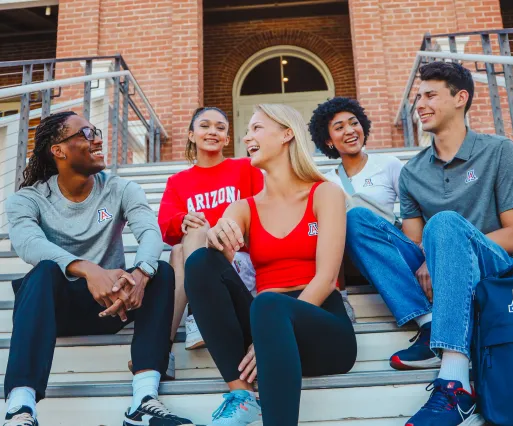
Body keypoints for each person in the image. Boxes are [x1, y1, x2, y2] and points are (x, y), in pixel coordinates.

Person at [347, 62, 513, 426]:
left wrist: (446, 246)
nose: (420, 104)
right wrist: (433, 256)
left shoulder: (498, 151)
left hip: (494, 272)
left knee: (445, 224)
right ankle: (430, 321)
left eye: (431, 95)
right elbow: (415, 246)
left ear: (460, 98)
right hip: (439, 276)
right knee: (355, 218)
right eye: (418, 97)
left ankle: (455, 383)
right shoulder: (413, 171)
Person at [3, 112, 194, 426]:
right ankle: (20, 407)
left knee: (161, 271)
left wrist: (140, 275)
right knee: (43, 272)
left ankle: (144, 400)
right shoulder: (28, 198)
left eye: (96, 130)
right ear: (58, 150)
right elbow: (27, 243)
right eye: (86, 132)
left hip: (115, 305)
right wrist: (90, 270)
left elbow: (149, 232)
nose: (98, 138)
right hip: (54, 310)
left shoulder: (120, 188)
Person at [184, 104, 357, 426]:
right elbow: (214, 262)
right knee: (200, 261)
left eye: (257, 128)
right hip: (264, 322)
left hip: (321, 325)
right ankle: (241, 394)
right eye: (248, 131)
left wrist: (268, 335)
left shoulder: (325, 193)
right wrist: (215, 234)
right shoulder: (244, 207)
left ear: (287, 134)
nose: (247, 137)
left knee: (269, 306)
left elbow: (327, 277)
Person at [156, 107, 263, 376]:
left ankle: (188, 321)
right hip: (199, 264)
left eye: (220, 127)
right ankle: (162, 348)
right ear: (192, 135)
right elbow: (166, 226)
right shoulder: (178, 181)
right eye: (205, 126)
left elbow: (264, 212)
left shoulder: (245, 169)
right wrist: (184, 220)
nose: (212, 132)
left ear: (227, 138)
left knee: (202, 231)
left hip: (238, 261)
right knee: (184, 242)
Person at [308, 97, 404, 320]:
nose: (350, 130)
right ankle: (339, 295)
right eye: (339, 127)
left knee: (354, 217)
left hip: (391, 248)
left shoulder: (388, 164)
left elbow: (412, 211)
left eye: (354, 123)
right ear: (329, 140)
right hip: (350, 259)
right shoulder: (326, 182)